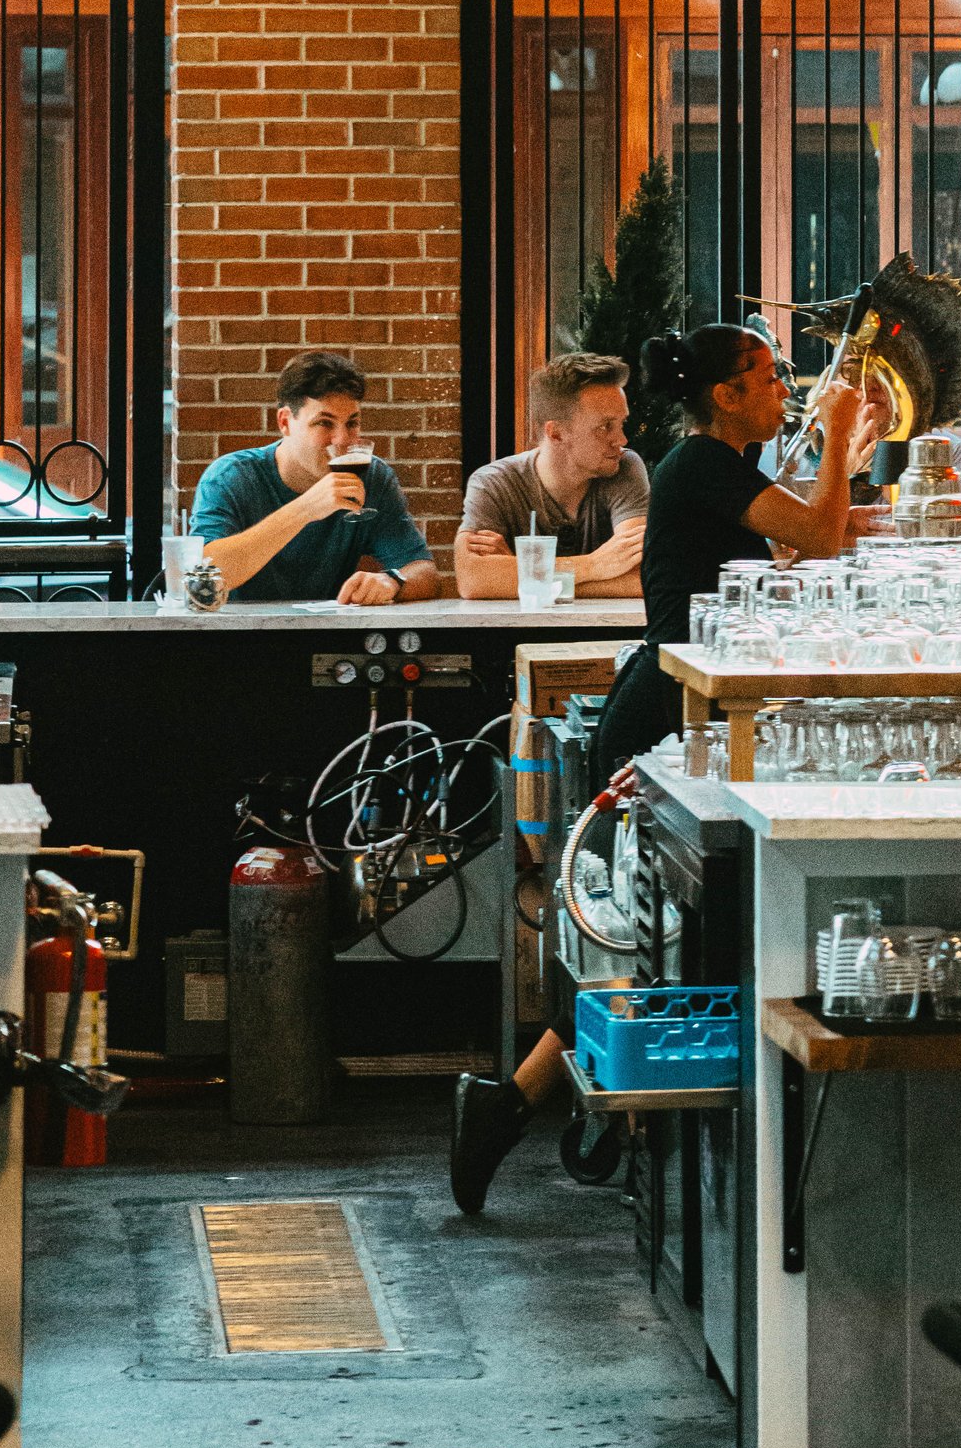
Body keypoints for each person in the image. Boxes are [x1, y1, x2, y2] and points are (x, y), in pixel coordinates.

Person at [448, 324, 862, 1216]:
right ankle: (533, 1106)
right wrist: (838, 431)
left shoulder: (712, 468)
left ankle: (528, 1108)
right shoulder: (701, 464)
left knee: (658, 936)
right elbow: (825, 535)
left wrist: (839, 454)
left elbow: (800, 540)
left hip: (682, 705)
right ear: (726, 396)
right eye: (765, 377)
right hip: (668, 713)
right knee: (650, 934)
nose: (783, 388)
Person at [189, 351, 437, 606]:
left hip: (327, 635)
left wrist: (392, 582)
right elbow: (207, 576)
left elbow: (425, 572)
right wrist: (306, 509)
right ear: (285, 422)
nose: (342, 440)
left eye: (352, 423)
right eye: (324, 423)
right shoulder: (231, 476)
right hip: (240, 636)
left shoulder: (374, 477)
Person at [455, 351, 648, 601]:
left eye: (621, 424)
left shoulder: (624, 466)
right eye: (604, 427)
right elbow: (474, 581)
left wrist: (526, 575)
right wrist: (593, 565)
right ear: (556, 433)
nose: (622, 440)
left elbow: (643, 577)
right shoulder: (493, 482)